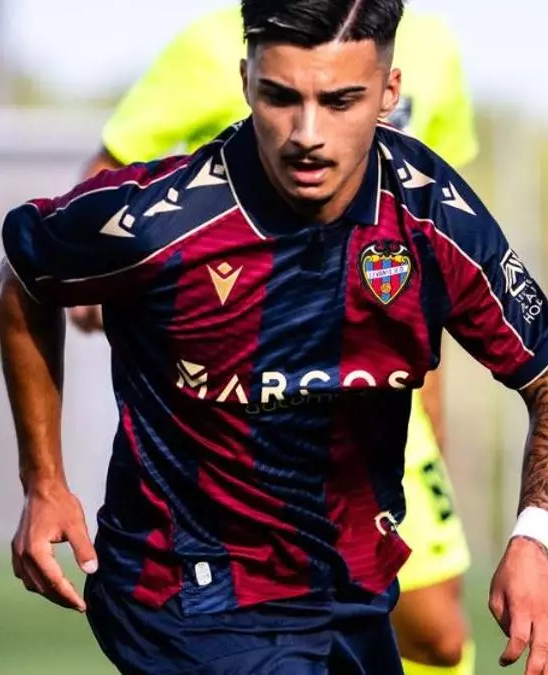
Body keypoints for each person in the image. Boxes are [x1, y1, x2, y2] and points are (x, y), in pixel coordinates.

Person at [0, 1, 548, 674]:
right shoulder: (160, 221)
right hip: (187, 596)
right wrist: (43, 481)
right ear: (246, 81)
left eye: (340, 101)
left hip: (350, 591)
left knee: (439, 635)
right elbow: (24, 276)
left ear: (390, 94)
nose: (307, 134)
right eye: (281, 97)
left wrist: (535, 540)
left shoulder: (432, 214)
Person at [65, 5, 481, 674]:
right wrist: (100, 283)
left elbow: (435, 240)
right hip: (249, 395)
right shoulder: (209, 44)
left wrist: (432, 405)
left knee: (438, 630)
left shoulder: (432, 45)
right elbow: (107, 172)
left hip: (375, 391)